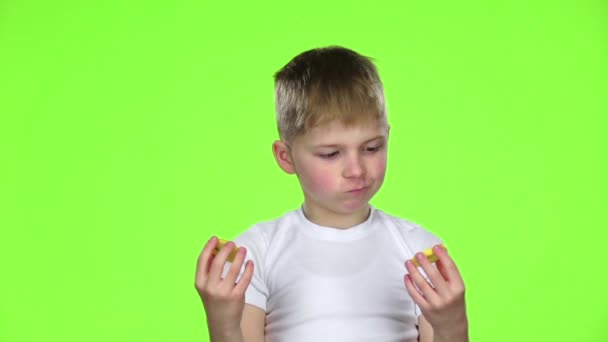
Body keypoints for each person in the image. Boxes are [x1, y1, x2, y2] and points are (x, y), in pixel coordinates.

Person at [194, 46, 469, 342]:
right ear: (286, 157)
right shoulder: (256, 253)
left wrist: (450, 324)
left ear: (388, 137)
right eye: (330, 154)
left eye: (371, 148)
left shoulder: (417, 250)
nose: (356, 169)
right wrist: (222, 322)